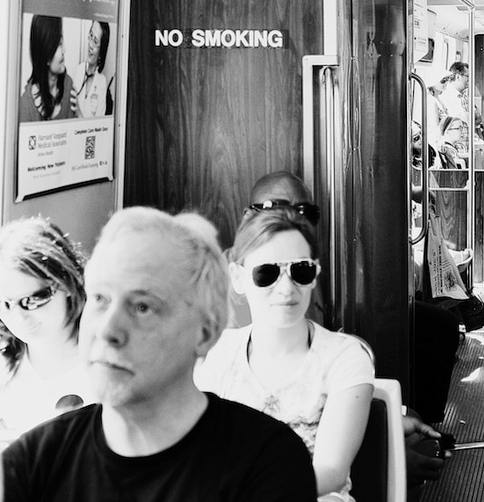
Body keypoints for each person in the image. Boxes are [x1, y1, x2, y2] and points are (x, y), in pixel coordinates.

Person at [1, 207, 317, 501]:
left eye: (142, 307)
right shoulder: (31, 463)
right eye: (100, 298)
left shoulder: (266, 460)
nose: (108, 330)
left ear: (205, 333)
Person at [242, 171, 454, 493]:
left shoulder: (306, 279)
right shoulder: (220, 329)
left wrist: (388, 427)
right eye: (279, 208)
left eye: (305, 213)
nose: (284, 287)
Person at [196, 208, 374, 502]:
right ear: (238, 278)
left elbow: (332, 470)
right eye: (267, 273)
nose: (287, 288)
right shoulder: (216, 355)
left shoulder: (345, 357)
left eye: (300, 271)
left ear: (314, 274)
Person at [0, 217, 92, 438]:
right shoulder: (3, 366)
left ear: (68, 282)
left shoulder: (109, 363)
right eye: (5, 304)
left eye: (33, 300)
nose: (19, 317)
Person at [18, 15, 76, 123]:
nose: (65, 50)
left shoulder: (68, 85)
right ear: (45, 54)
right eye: (59, 44)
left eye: (62, 42)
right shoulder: (26, 107)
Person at [72, 20, 110, 118]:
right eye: (90, 36)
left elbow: (98, 125)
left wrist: (78, 112)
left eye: (95, 41)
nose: (90, 45)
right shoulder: (80, 69)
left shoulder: (102, 82)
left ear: (102, 49)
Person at [425, 69, 451, 144]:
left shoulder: (439, 99)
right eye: (443, 81)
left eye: (447, 80)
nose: (446, 83)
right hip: (435, 140)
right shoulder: (431, 100)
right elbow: (434, 126)